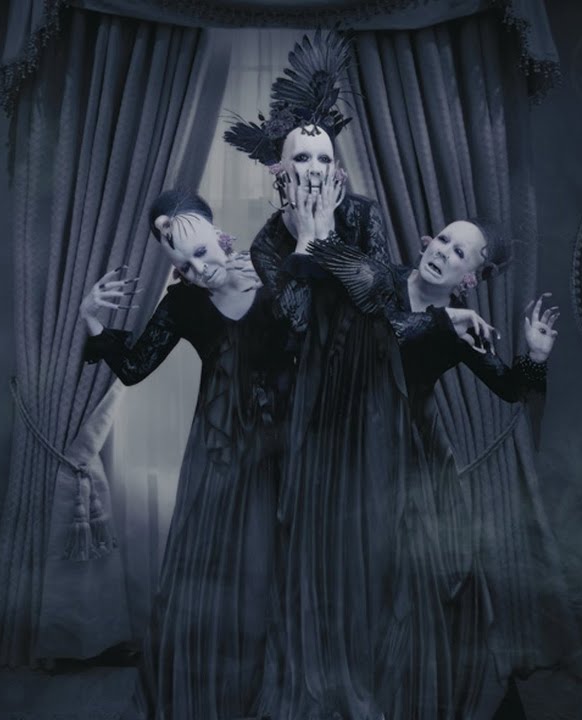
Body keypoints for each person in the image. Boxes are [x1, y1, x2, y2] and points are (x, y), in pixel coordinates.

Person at [226, 30, 442, 720]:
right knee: (314, 543)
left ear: (337, 167)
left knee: (373, 537)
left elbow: (381, 295)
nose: (316, 168)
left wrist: (325, 244)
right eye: (302, 158)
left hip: (372, 394)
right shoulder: (267, 242)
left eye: (325, 157)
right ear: (280, 171)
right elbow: (290, 322)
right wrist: (304, 245)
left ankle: (373, 676)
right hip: (308, 409)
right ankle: (316, 676)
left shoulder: (365, 216)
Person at [309, 219, 576, 720]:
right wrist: (443, 322)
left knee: (424, 581)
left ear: (469, 277)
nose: (443, 252)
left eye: (459, 253)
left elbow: (511, 391)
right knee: (353, 576)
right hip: (352, 444)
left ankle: (410, 699)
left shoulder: (461, 327)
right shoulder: (382, 280)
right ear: (428, 242)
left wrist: (535, 357)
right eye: (445, 240)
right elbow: (369, 334)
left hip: (417, 458)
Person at [80, 190, 290, 720]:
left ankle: (276, 695)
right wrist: (91, 320)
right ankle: (219, 698)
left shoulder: (274, 278)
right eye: (183, 265)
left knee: (279, 574)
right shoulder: (181, 303)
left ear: (220, 235)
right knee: (218, 581)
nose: (197, 271)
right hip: (219, 457)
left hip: (287, 452)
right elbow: (134, 368)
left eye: (200, 254)